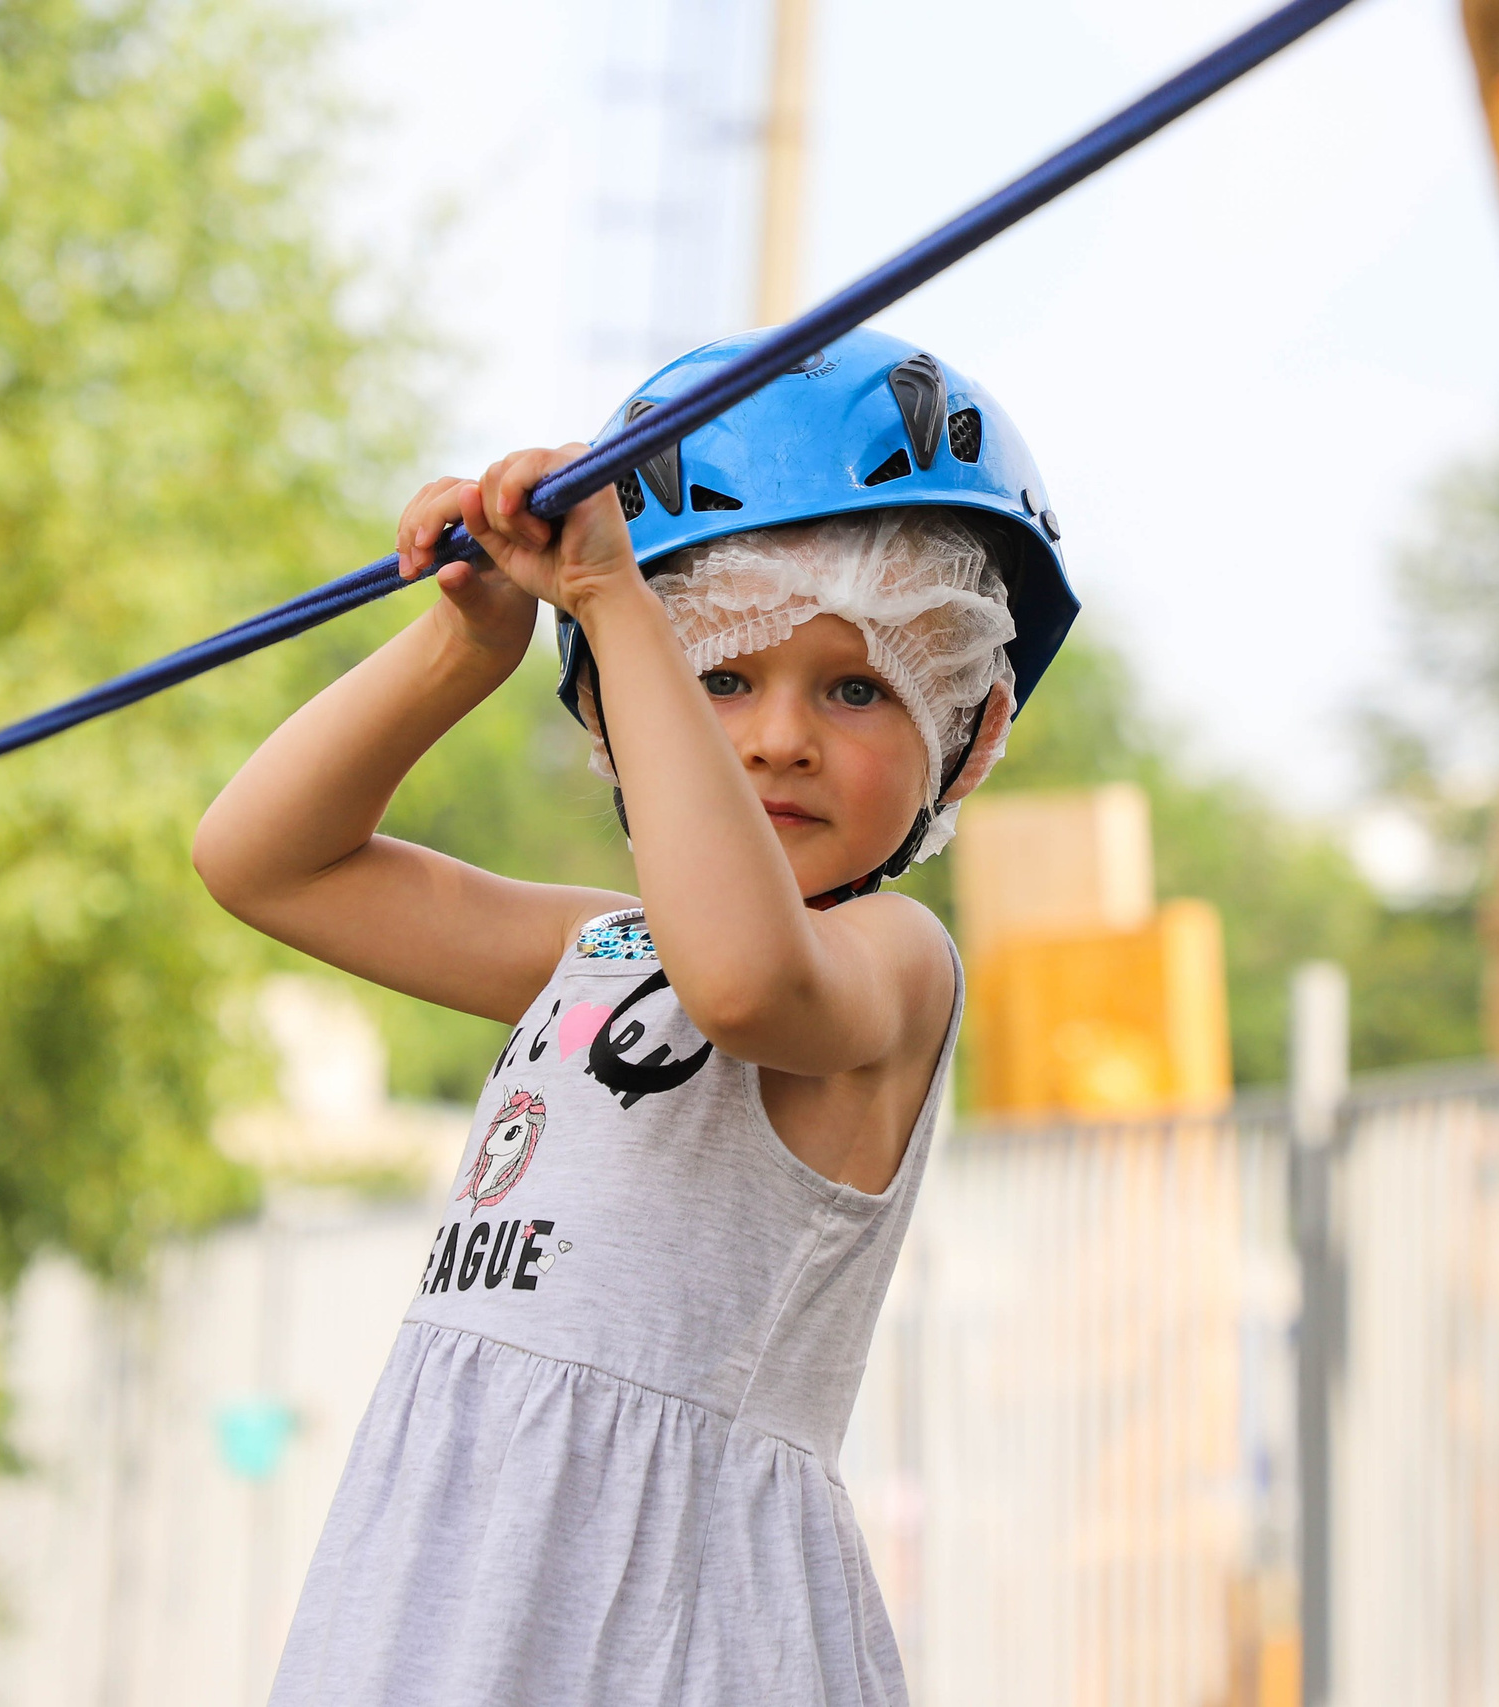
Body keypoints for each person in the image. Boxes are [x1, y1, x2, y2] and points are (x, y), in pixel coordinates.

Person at [193, 327, 1076, 1705]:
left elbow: (740, 982)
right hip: (447, 1585)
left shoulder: (896, 958)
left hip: (668, 1617)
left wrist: (614, 595)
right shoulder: (595, 947)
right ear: (618, 714)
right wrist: (461, 647)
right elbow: (262, 859)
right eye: (720, 673)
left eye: (854, 687)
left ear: (972, 725)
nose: (779, 734)